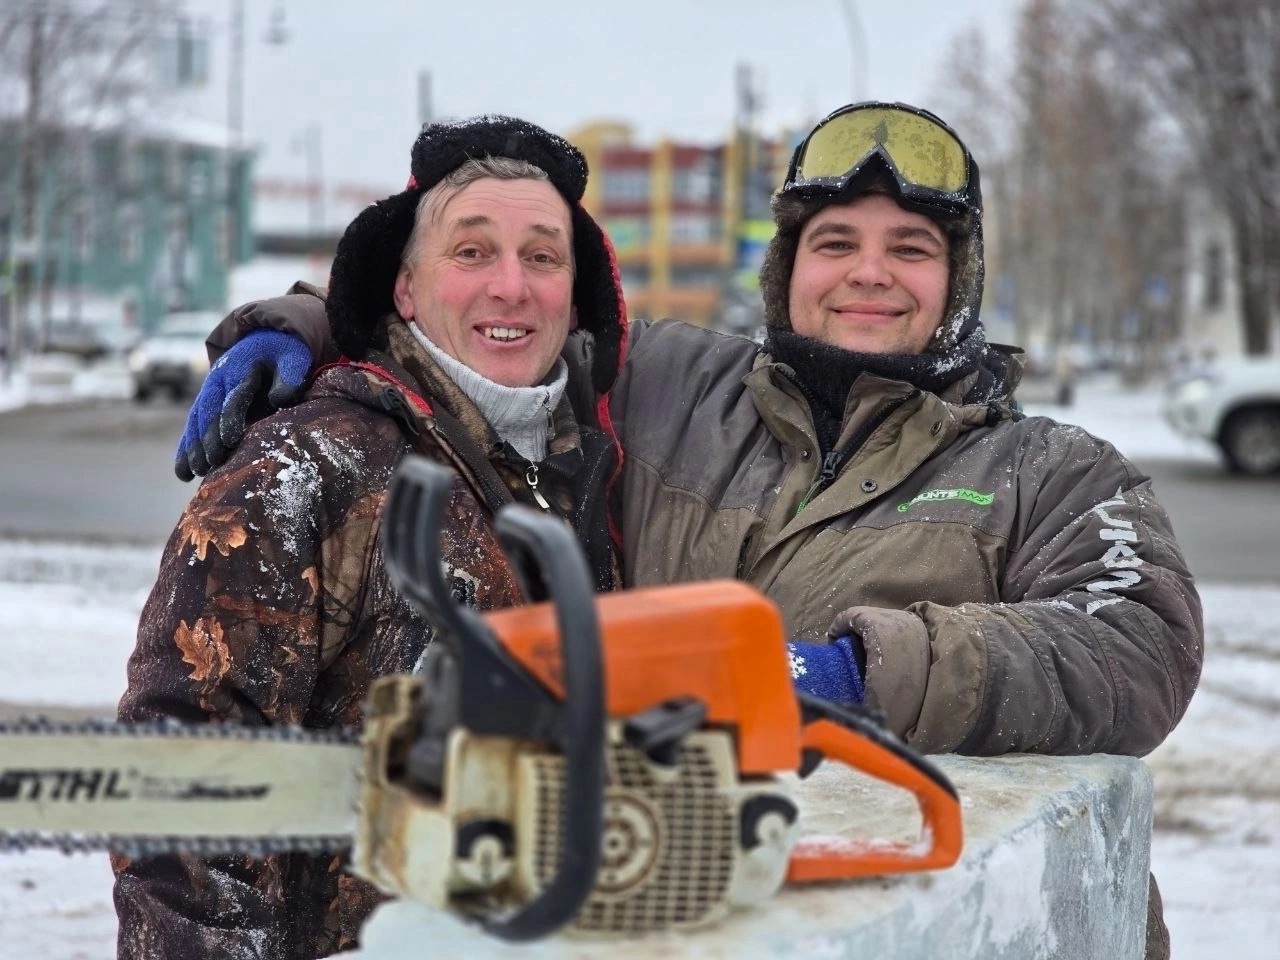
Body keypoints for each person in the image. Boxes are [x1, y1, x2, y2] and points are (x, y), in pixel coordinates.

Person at [179, 102, 1201, 958]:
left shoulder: (1045, 469)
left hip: (946, 915)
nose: (867, 274)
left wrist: (850, 672)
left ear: (958, 280)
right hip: (691, 905)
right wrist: (303, 325)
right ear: (787, 268)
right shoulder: (670, 381)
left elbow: (1139, 643)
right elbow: (489, 315)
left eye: (911, 249)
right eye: (833, 243)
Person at [113, 115, 628, 960]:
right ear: (406, 288)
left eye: (542, 257)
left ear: (575, 293)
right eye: (471, 252)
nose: (511, 286)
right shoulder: (307, 465)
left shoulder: (594, 467)